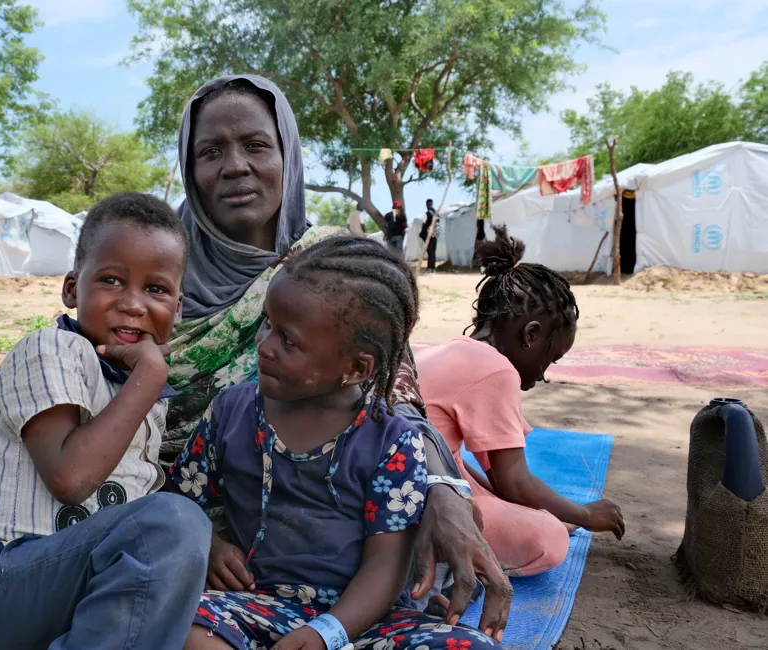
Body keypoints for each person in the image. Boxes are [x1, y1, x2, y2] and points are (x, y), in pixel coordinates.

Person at [167, 74, 511, 642]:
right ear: (189, 165)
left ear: (288, 155)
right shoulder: (151, 275)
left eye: (256, 145)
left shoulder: (336, 270)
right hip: (218, 548)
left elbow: (397, 403)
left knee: (515, 543)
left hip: (364, 539)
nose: (233, 166)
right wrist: (191, 536)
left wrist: (444, 491)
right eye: (210, 151)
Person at [172, 236, 497, 650]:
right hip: (250, 605)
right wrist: (208, 544)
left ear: (356, 368)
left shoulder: (392, 441)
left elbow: (387, 566)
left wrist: (326, 634)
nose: (264, 346)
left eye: (288, 341)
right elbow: (178, 503)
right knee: (181, 623)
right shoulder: (229, 413)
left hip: (361, 620)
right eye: (267, 324)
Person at [0, 193, 211, 650]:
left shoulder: (139, 387)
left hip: (78, 604)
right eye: (111, 280)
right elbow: (71, 478)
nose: (132, 304)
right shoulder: (49, 350)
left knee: (185, 535)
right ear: (71, 289)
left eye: (156, 289)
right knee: (173, 522)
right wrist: (150, 374)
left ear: (179, 309)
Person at [414, 224, 625, 578]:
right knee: (548, 538)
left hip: (389, 481)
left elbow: (491, 476)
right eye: (551, 357)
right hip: (414, 500)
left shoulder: (448, 351)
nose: (545, 374)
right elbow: (514, 482)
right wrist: (583, 516)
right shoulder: (495, 370)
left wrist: (554, 508)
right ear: (531, 335)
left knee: (468, 474)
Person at [420, 198, 440, 272]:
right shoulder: (436, 213)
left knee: (430, 251)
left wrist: (422, 233)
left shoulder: (428, 213)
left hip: (429, 235)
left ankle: (429, 268)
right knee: (433, 252)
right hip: (435, 235)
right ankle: (433, 268)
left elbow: (424, 224)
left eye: (427, 204)